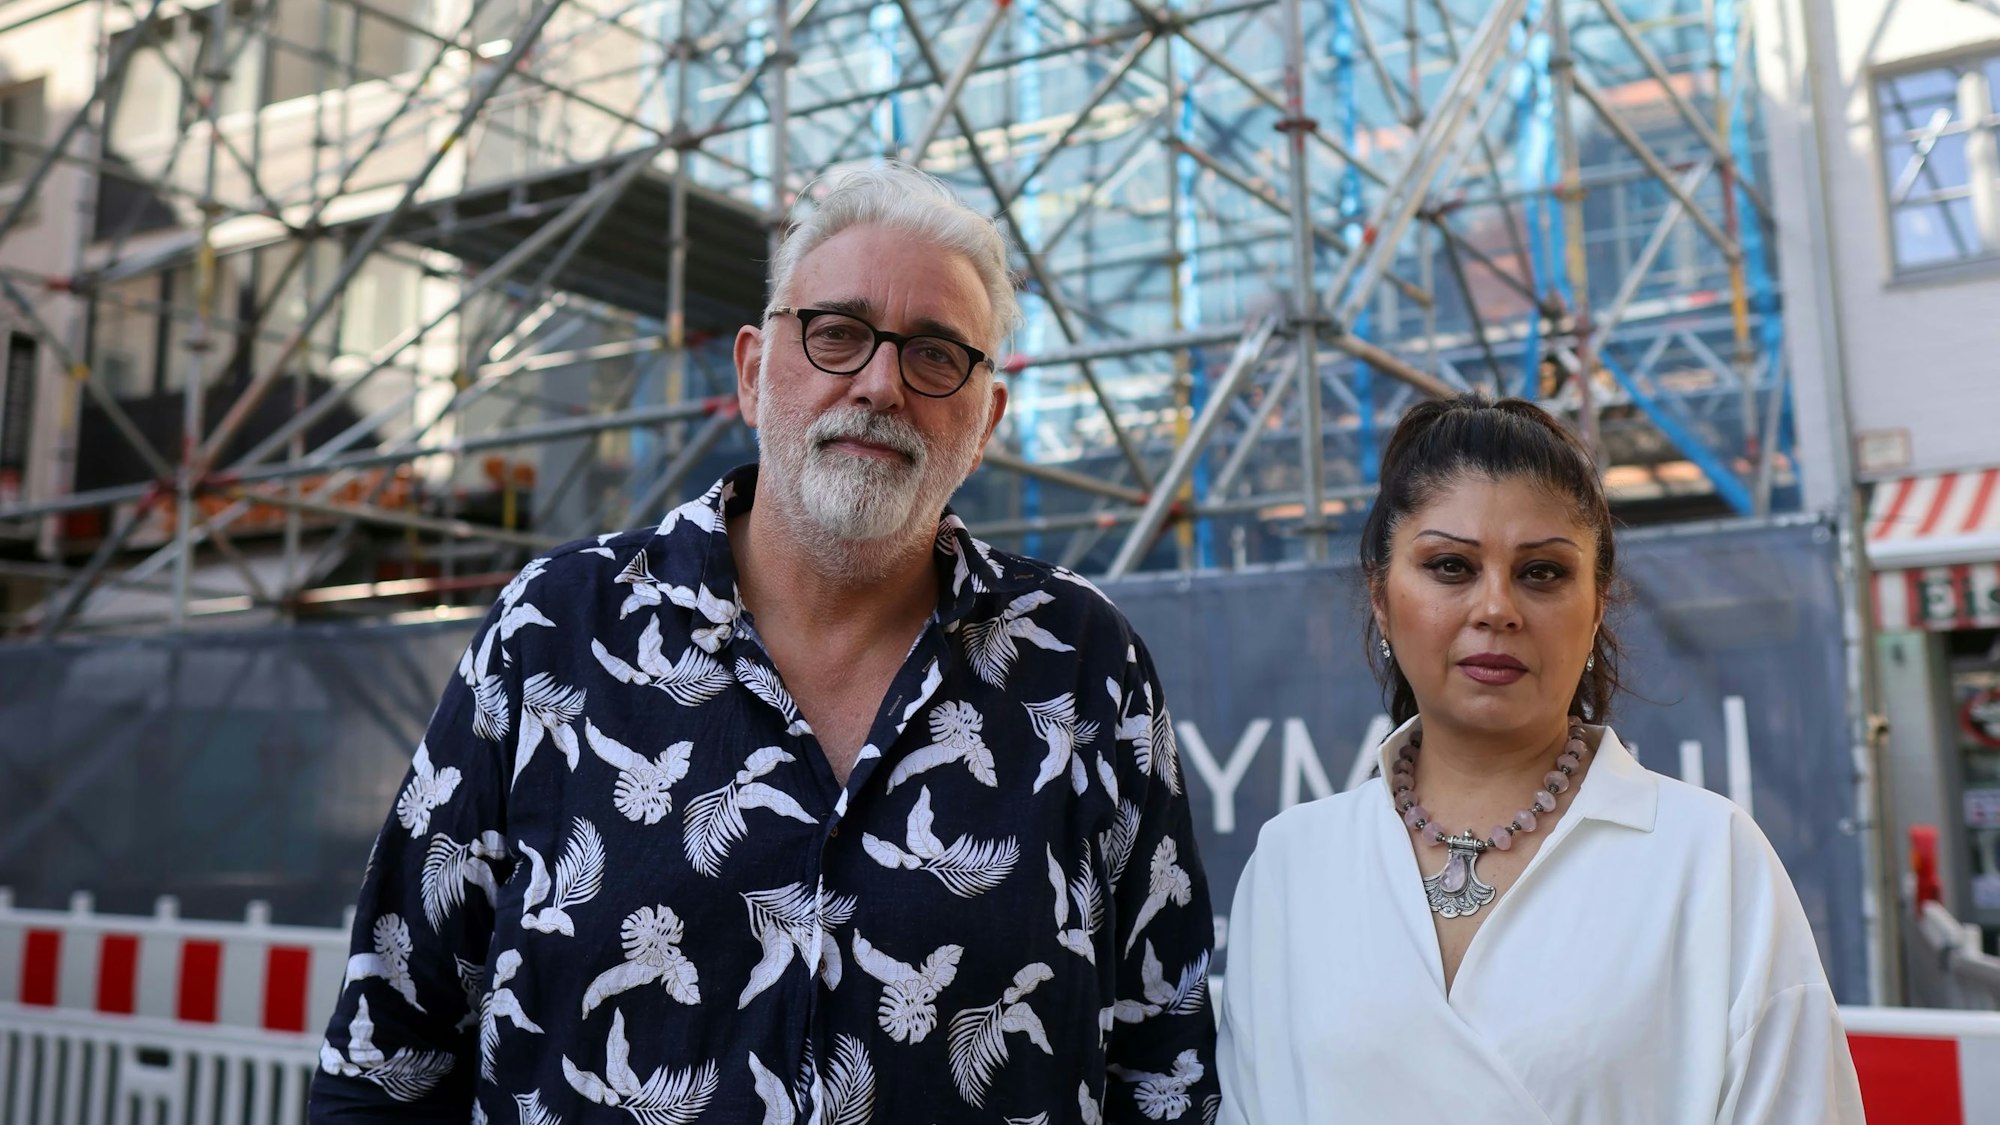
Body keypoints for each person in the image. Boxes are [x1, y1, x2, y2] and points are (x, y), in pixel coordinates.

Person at [310, 164, 1219, 1123]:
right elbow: (387, 1057)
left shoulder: (1083, 664)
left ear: (986, 419)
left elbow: (1164, 1072)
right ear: (752, 371)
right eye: (835, 333)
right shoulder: (554, 629)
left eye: (938, 355)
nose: (879, 384)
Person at [1215, 394, 1864, 1123]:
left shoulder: (1710, 858)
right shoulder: (1291, 863)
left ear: (1598, 606)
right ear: (1381, 598)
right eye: (1451, 565)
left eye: (1543, 572)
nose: (1497, 608)